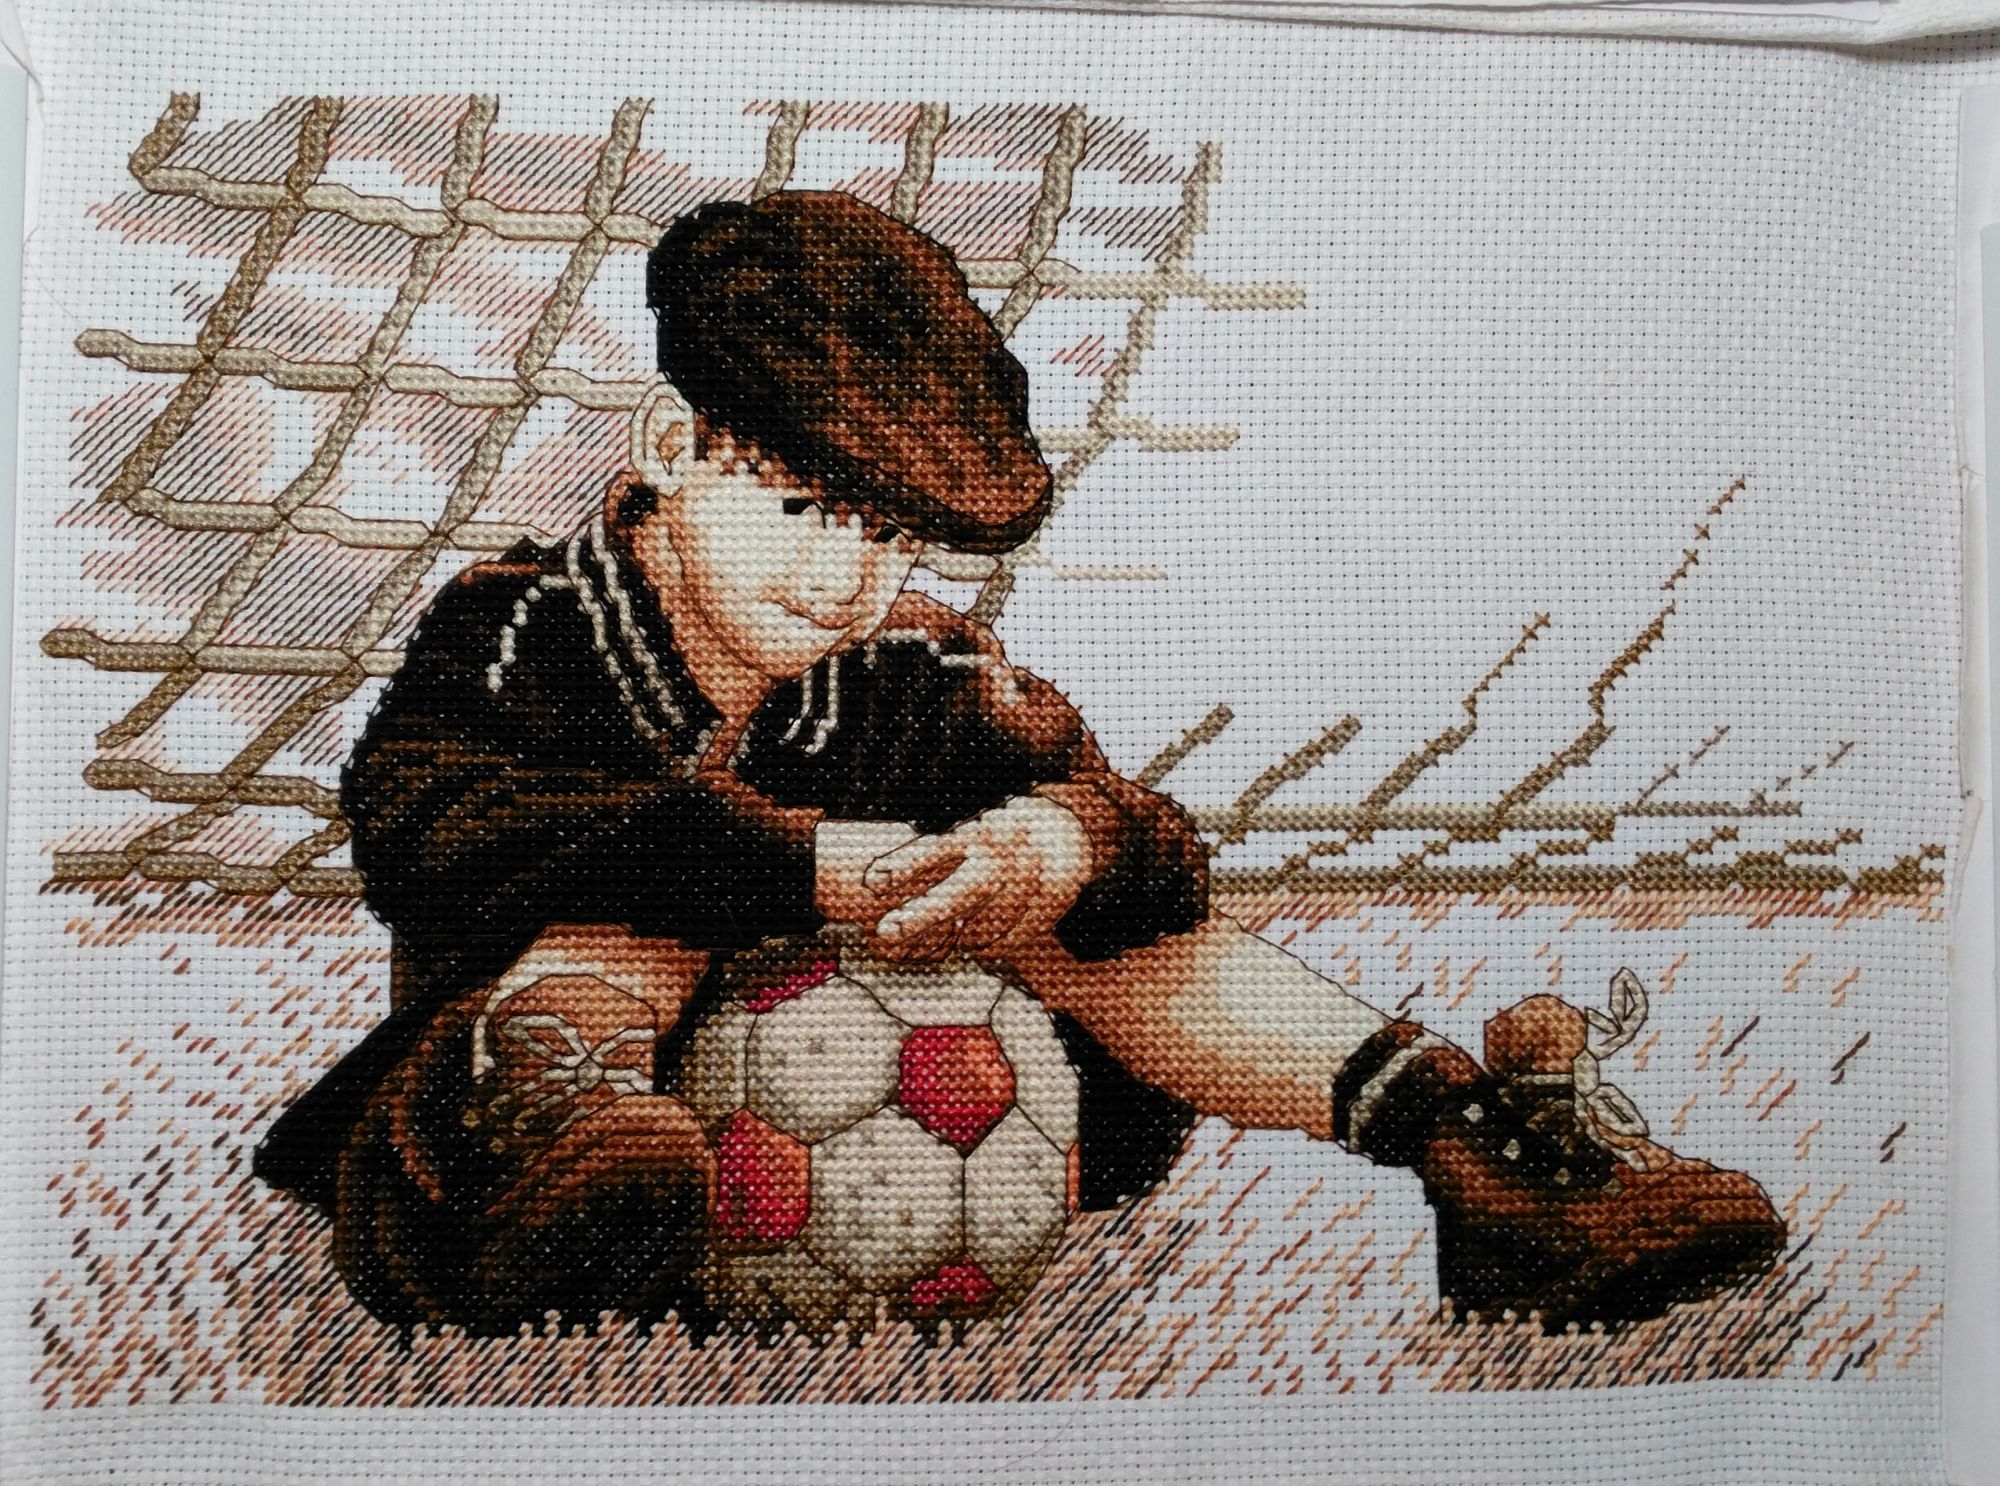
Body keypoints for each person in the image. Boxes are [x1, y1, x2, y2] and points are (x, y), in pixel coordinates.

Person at [254, 190, 1784, 1338]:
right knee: (646, 876)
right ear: (674, 447)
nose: (845, 575)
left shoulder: (909, 670)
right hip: (541, 1120)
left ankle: (1470, 1149)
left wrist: (1058, 842)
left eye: (888, 533)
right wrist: (804, 864)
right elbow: (428, 830)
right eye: (802, 505)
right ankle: (545, 1140)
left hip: (869, 1074)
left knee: (1058, 897)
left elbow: (1150, 847)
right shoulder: (525, 632)